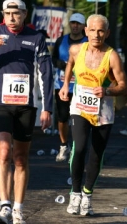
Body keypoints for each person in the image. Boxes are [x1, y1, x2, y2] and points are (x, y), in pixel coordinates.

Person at [0, 0, 53, 224]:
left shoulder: (36, 38)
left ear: (24, 14)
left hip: (26, 106)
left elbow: (46, 74)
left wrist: (48, 108)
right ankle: (4, 206)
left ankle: (18, 208)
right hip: (0, 104)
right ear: (3, 14)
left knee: (20, 158)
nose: (12, 18)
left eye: (16, 14)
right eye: (8, 14)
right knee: (4, 152)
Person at [58, 14, 127, 216]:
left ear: (107, 33)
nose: (96, 35)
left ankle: (87, 194)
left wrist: (107, 91)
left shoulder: (112, 56)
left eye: (101, 31)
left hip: (103, 110)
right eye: (92, 30)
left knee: (96, 153)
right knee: (78, 148)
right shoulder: (75, 49)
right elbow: (70, 64)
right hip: (80, 106)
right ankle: (75, 193)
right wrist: (65, 85)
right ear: (86, 31)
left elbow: (123, 86)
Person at [52, 13, 88, 162]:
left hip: (82, 86)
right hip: (62, 85)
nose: (75, 26)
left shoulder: (88, 41)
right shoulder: (61, 40)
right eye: (73, 23)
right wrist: (62, 64)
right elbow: (53, 58)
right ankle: (63, 145)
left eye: (78, 24)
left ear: (83, 26)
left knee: (80, 118)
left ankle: (77, 147)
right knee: (62, 117)